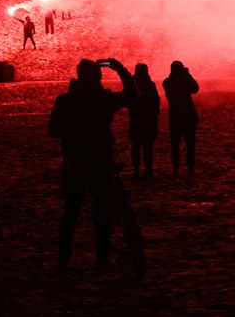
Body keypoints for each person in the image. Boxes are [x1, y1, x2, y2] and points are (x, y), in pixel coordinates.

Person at [48, 58, 139, 272]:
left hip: (76, 163)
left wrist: (73, 132)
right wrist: (120, 69)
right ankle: (102, 261)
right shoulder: (103, 100)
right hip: (101, 163)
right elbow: (133, 94)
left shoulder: (65, 101)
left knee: (70, 213)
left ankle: (63, 262)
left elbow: (53, 130)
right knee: (103, 214)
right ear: (98, 77)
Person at [163, 60, 199, 176]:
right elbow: (194, 89)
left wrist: (187, 77)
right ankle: (188, 169)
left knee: (177, 144)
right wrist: (187, 76)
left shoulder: (167, 82)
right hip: (185, 116)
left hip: (176, 117)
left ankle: (177, 169)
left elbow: (194, 89)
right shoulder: (172, 82)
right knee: (188, 144)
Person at [128, 63, 160, 179]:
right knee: (147, 146)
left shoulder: (132, 84)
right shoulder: (150, 84)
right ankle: (148, 169)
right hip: (148, 119)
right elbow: (156, 101)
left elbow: (128, 101)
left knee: (136, 145)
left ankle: (136, 169)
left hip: (136, 119)